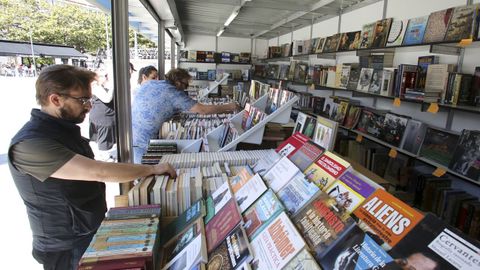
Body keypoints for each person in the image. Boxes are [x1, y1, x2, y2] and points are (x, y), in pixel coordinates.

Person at [7, 64, 176, 270]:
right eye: (82, 100)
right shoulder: (30, 144)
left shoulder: (62, 130)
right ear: (55, 99)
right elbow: (98, 171)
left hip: (86, 232)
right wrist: (151, 169)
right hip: (66, 245)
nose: (89, 106)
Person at [131, 68, 238, 163]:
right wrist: (229, 106)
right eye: (185, 85)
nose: (185, 88)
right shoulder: (173, 93)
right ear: (177, 83)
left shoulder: (152, 83)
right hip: (145, 146)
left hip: (133, 137)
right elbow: (203, 110)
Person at [89, 68, 116, 160]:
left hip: (103, 116)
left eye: (106, 75)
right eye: (104, 76)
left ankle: (105, 156)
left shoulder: (98, 87)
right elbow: (106, 98)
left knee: (103, 138)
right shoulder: (96, 87)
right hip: (103, 117)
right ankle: (105, 158)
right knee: (104, 140)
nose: (107, 78)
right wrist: (113, 85)